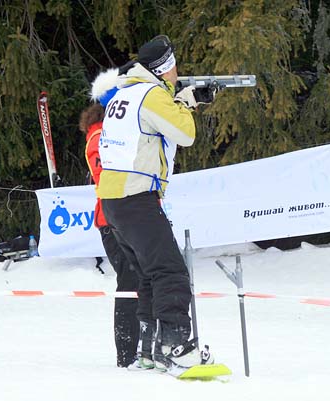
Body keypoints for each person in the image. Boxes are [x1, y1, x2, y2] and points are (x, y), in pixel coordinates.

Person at [96, 35, 215, 373]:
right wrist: (184, 103)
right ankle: (176, 346)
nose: (178, 71)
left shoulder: (125, 93)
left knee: (148, 274)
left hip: (114, 200)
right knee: (170, 271)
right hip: (136, 196)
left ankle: (150, 349)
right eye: (174, 65)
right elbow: (186, 134)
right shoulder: (151, 95)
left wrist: (178, 101)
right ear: (164, 68)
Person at [79, 89, 140, 368]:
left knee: (137, 280)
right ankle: (127, 354)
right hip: (112, 217)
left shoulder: (103, 134)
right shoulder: (99, 136)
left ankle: (136, 350)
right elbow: (107, 174)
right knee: (129, 281)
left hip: (118, 216)